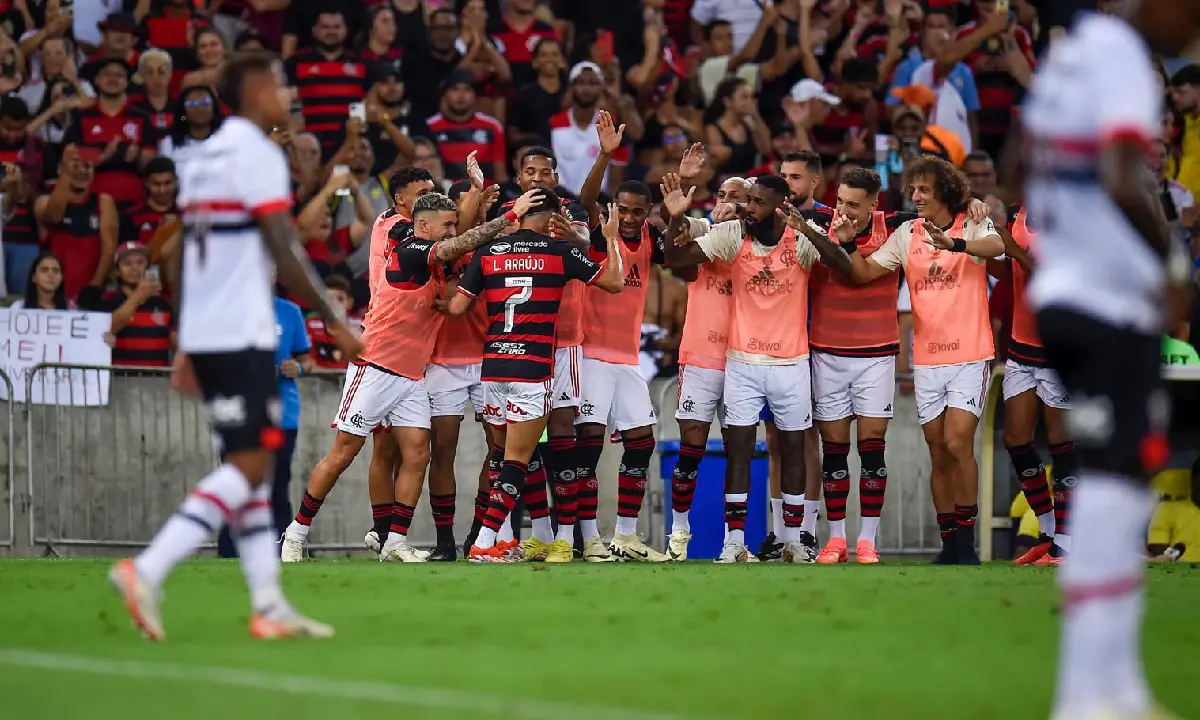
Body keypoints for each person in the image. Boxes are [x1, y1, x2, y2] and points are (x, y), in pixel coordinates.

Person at [108, 52, 362, 641]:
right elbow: (284, 248)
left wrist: (185, 342)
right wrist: (336, 324)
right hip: (243, 329)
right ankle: (148, 568)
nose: (286, 92)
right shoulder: (257, 154)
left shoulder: (200, 156)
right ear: (253, 91)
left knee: (253, 465)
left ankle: (268, 604)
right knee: (249, 464)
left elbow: (176, 256)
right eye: (277, 82)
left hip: (210, 330)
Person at [1022, 4, 1200, 718]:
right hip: (1104, 299)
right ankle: (1089, 691)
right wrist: (1171, 264)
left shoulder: (1066, 60)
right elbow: (1124, 171)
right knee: (1115, 480)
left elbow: (1015, 162)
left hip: (1063, 290)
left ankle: (1114, 685)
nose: (1191, 22)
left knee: (1125, 472)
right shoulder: (1121, 56)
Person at [279, 183, 544, 563]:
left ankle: (395, 542)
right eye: (447, 225)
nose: (453, 231)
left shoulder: (431, 255)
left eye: (455, 224)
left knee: (418, 454)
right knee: (344, 453)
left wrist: (478, 201)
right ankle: (296, 532)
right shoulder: (411, 251)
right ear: (424, 227)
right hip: (375, 367)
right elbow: (456, 246)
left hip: (412, 375)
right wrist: (510, 214)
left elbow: (464, 244)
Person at [817, 156, 1004, 566]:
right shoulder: (907, 234)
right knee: (937, 449)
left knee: (958, 442)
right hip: (928, 358)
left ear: (945, 191)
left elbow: (997, 248)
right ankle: (950, 542)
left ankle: (968, 541)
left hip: (971, 353)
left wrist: (955, 244)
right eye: (913, 189)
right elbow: (864, 273)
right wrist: (848, 243)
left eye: (923, 189)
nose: (915, 196)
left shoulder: (971, 221)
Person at [665, 174, 846, 563]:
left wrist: (808, 232)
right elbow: (677, 261)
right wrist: (673, 221)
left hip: (790, 363)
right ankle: (734, 541)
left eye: (759, 203)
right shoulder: (733, 234)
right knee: (739, 451)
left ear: (780, 206)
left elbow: (842, 265)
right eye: (750, 201)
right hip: (742, 362)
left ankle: (795, 539)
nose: (750, 209)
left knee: (794, 448)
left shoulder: (801, 236)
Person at [451, 190, 623, 563]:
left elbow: (458, 306)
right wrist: (609, 238)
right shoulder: (559, 253)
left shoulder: (488, 253)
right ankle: (483, 542)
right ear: (549, 219)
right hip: (533, 367)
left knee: (500, 456)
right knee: (517, 459)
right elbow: (614, 283)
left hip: (493, 366)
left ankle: (502, 540)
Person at [573, 114, 668, 563]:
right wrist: (606, 154)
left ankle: (624, 535)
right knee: (588, 445)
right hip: (590, 354)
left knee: (642, 440)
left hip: (628, 359)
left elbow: (682, 245)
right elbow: (586, 197)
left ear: (647, 214)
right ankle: (587, 537)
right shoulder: (599, 232)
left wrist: (682, 206)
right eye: (623, 209)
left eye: (637, 211)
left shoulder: (651, 236)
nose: (628, 218)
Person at [659, 164, 750, 561]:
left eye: (738, 199)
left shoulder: (759, 242)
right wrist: (676, 214)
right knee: (691, 450)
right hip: (699, 358)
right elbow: (673, 254)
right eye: (724, 197)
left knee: (739, 451)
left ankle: (735, 540)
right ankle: (679, 533)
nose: (728, 204)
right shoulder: (702, 231)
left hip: (745, 362)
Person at [995, 206, 1079, 567]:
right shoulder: (1018, 214)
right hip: (1020, 348)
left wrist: (1014, 252)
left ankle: (1067, 542)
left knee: (1061, 443)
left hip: (1059, 349)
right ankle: (1047, 533)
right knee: (1015, 439)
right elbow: (1008, 270)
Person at [34, 144, 118, 303]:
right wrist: (66, 174)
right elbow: (53, 217)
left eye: (87, 166)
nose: (81, 171)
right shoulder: (43, 202)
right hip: (53, 294)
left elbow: (109, 248)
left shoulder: (104, 202)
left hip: (89, 294)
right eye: (75, 166)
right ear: (61, 170)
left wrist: (95, 286)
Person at [97, 242, 174, 368]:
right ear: (117, 271)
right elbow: (105, 329)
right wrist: (138, 295)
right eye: (127, 263)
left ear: (147, 267)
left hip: (159, 382)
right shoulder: (108, 301)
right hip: (120, 380)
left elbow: (176, 343)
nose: (134, 267)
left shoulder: (164, 304)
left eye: (140, 262)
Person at [426, 69, 507, 183]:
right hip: (445, 196)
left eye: (467, 90)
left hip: (485, 196)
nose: (461, 96)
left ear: (475, 96)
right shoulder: (430, 127)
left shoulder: (493, 127)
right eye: (455, 89)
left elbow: (500, 175)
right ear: (444, 95)